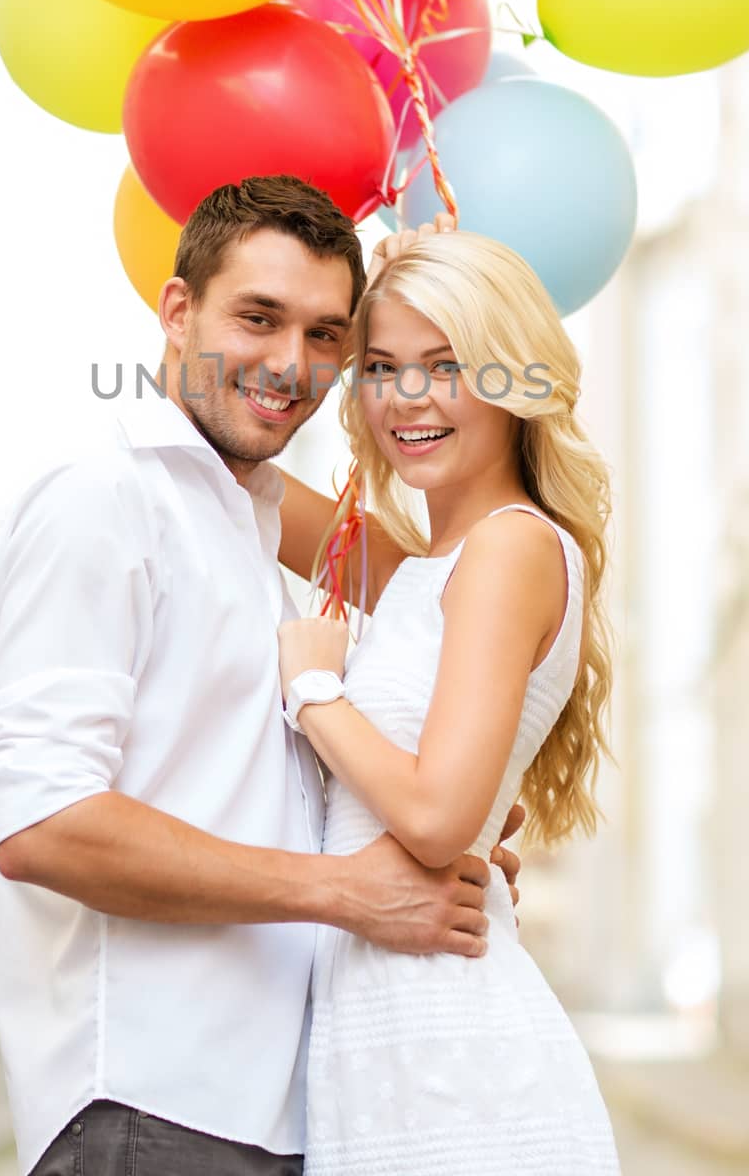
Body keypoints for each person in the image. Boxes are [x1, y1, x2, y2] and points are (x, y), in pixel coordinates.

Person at [0, 176, 522, 1176]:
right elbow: (43, 823)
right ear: (177, 310)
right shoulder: (102, 497)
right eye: (259, 317)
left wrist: (448, 828)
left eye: (326, 335)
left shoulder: (247, 512)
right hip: (149, 1104)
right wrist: (350, 892)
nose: (288, 364)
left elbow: (438, 600)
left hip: (275, 1109)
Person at [275, 216, 622, 1174]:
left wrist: (315, 691)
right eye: (381, 367)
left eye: (448, 361)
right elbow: (243, 474)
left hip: (456, 1064)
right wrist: (353, 283)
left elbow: (435, 818)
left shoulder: (511, 547)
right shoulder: (423, 566)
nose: (408, 397)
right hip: (383, 1049)